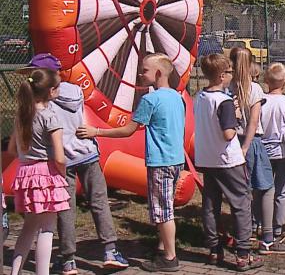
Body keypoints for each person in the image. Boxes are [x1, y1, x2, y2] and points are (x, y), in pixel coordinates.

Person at [15, 54, 128, 275]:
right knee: (99, 201)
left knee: (65, 209)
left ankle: (68, 259)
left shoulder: (42, 98)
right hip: (86, 152)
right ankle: (110, 251)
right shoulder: (75, 91)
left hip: (61, 160)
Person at [78, 53, 185, 272]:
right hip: (176, 160)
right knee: (166, 207)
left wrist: (96, 131)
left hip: (160, 162)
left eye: (144, 70)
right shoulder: (177, 97)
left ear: (157, 73)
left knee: (163, 212)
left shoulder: (150, 100)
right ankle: (163, 248)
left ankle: (170, 258)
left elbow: (128, 130)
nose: (140, 73)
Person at [193, 54, 263, 270]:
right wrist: (233, 113)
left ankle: (214, 249)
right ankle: (243, 254)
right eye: (230, 72)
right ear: (222, 75)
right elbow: (229, 133)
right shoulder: (223, 101)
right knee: (241, 204)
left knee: (211, 204)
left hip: (207, 157)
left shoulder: (200, 96)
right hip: (227, 160)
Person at [8, 68, 70, 275]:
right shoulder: (50, 116)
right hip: (47, 173)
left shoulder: (22, 114)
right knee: (46, 229)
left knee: (28, 227)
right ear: (51, 91)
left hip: (25, 172)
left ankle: (14, 271)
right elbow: (60, 156)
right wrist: (61, 172)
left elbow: (11, 149)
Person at [258, 62, 285, 253]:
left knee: (260, 189)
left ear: (266, 80)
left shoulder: (260, 101)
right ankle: (277, 228)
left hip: (262, 152)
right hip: (283, 153)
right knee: (282, 191)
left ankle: (258, 223)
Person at [229, 48, 271, 244]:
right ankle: (258, 227)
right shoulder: (255, 89)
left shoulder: (228, 86)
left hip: (233, 140)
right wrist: (246, 147)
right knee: (261, 186)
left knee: (240, 189)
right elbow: (254, 122)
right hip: (250, 141)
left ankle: (243, 226)